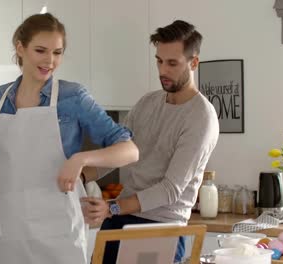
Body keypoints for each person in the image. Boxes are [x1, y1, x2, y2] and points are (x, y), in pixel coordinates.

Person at [0, 13, 139, 264]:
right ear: (20, 48)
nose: (50, 61)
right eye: (41, 50)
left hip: (60, 234)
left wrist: (81, 158)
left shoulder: (73, 97)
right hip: (11, 232)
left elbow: (130, 150)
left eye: (57, 53)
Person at [81, 20, 219, 263]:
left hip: (160, 228)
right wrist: (80, 177)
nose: (162, 70)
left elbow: (170, 189)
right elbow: (118, 153)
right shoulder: (148, 103)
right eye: (159, 60)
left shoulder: (201, 117)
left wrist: (112, 207)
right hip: (119, 220)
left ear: (194, 62)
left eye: (172, 63)